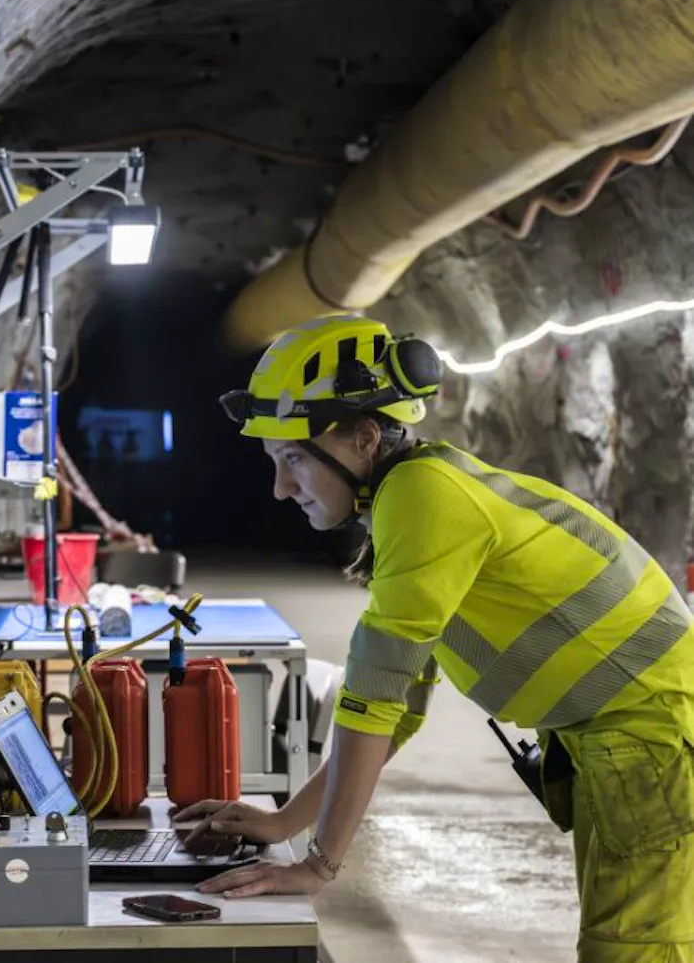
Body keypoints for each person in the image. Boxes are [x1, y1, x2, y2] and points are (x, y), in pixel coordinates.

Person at [173, 312, 694, 962]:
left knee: (635, 949)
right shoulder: (414, 494)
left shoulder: (422, 497)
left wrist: (318, 864)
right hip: (624, 727)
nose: (281, 489)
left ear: (364, 438)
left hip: (650, 729)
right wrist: (285, 822)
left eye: (292, 460)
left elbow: (374, 700)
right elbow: (398, 712)